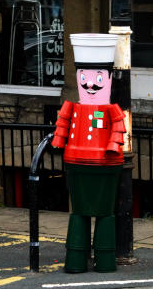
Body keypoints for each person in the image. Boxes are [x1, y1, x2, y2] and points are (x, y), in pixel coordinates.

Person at [52, 33, 126, 273]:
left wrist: (113, 146)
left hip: (100, 163)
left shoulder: (111, 110)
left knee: (100, 215)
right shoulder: (73, 108)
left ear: (109, 78)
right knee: (83, 215)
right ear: (77, 76)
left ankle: (92, 259)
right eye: (84, 77)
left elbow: (118, 129)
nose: (90, 84)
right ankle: (84, 259)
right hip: (84, 164)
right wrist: (57, 141)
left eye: (98, 77)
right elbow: (62, 125)